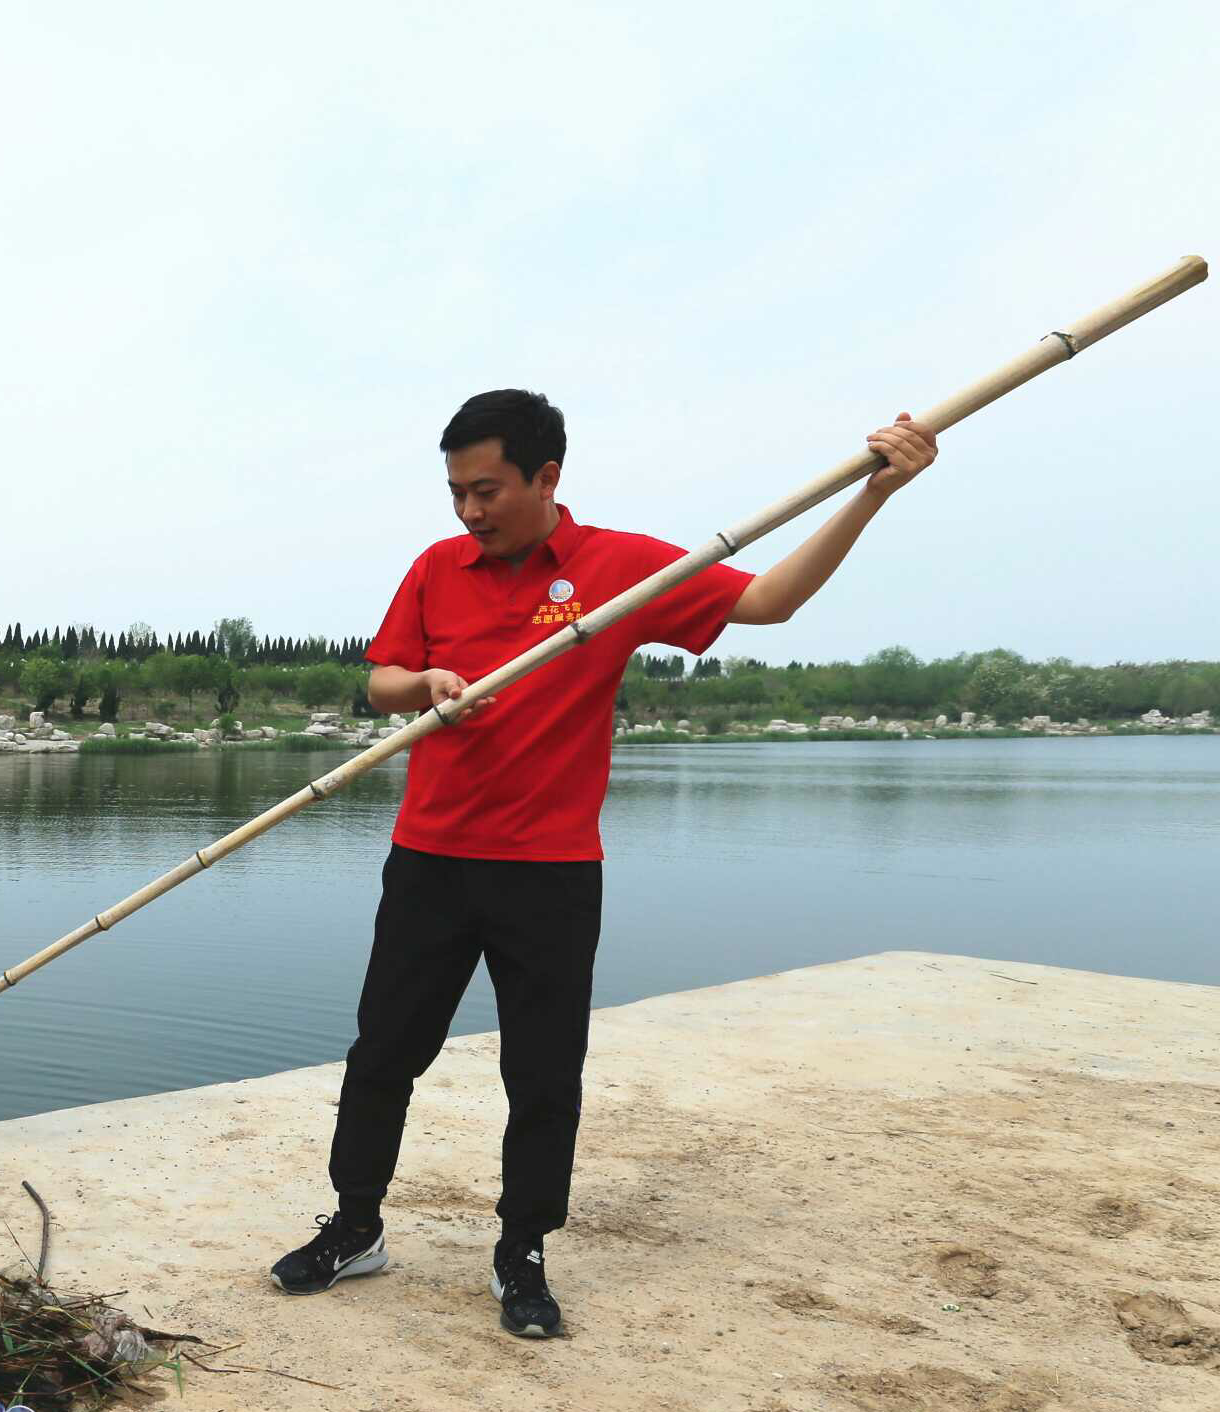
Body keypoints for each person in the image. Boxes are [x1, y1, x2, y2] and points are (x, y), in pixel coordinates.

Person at [271, 389, 938, 1336]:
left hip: (548, 870)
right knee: (383, 1053)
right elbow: (381, 679)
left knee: (544, 1072)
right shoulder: (436, 568)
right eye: (456, 491)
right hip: (430, 858)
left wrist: (873, 491)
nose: (468, 511)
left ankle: (522, 1251)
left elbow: (768, 602)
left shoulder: (618, 569)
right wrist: (419, 684)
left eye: (488, 490)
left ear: (548, 477)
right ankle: (355, 1226)